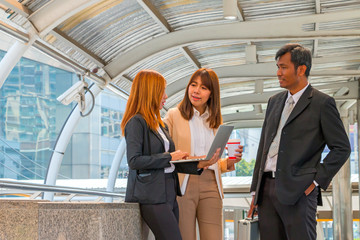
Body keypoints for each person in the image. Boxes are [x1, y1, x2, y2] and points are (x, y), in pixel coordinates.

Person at [248, 43, 350, 240]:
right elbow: (263, 147)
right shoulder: (274, 101)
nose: (278, 72)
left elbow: (342, 148)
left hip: (299, 190)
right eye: (277, 67)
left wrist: (314, 180)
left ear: (301, 69)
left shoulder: (322, 103)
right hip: (266, 189)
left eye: (283, 67)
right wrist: (255, 189)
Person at [121, 69, 220, 240]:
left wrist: (198, 165)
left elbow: (171, 164)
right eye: (162, 92)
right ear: (151, 93)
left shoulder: (159, 124)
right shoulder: (136, 122)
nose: (165, 97)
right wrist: (170, 157)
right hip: (151, 195)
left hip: (168, 192)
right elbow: (134, 161)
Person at [164, 68, 243, 240]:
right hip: (184, 184)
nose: (196, 91)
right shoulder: (173, 116)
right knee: (185, 236)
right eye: (193, 85)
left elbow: (213, 162)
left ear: (211, 94)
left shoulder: (215, 121)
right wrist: (191, 160)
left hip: (212, 185)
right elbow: (165, 153)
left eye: (204, 87)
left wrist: (229, 162)